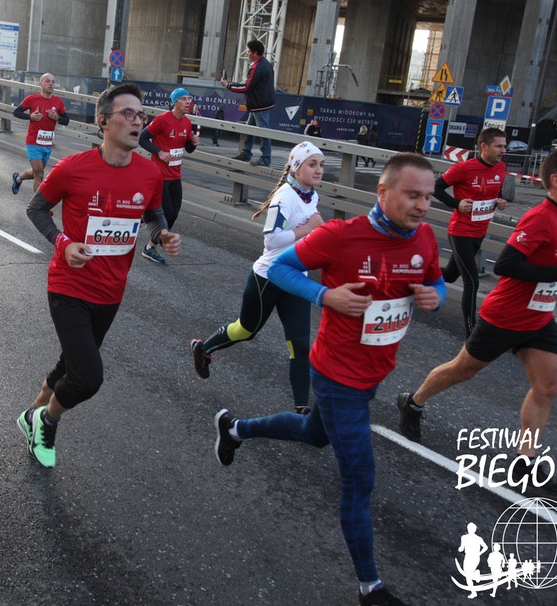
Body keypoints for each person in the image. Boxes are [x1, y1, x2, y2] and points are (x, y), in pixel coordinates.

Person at [214, 154, 444, 606]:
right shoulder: (341, 235)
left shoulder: (425, 237)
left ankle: (234, 429)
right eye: (413, 195)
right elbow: (279, 267)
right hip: (338, 375)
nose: (422, 205)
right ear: (383, 192)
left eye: (429, 197)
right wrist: (324, 295)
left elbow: (436, 282)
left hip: (375, 370)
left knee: (313, 432)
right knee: (360, 476)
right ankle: (370, 587)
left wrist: (433, 296)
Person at [397, 150, 557, 493]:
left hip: (539, 318)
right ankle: (413, 402)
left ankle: (525, 460)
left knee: (547, 388)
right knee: (462, 370)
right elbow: (505, 265)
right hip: (505, 316)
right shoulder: (541, 217)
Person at [15, 82, 181, 468]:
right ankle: (47, 421)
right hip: (69, 286)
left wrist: (162, 234)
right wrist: (62, 243)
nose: (138, 122)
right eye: (128, 114)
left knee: (69, 364)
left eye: (142, 115)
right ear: (103, 121)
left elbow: (153, 213)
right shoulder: (73, 168)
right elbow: (36, 209)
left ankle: (30, 415)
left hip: (111, 291)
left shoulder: (149, 172)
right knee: (88, 377)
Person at [190, 142, 325, 413]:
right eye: (312, 164)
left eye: (321, 165)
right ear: (296, 167)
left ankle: (301, 410)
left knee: (300, 346)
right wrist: (308, 229)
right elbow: (271, 240)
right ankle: (204, 349)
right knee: (246, 330)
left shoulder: (312, 196)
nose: (319, 170)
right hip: (268, 277)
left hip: (296, 278)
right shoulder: (284, 197)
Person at [433, 127, 508, 338]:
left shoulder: (501, 167)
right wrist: (456, 204)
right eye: (499, 146)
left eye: (504, 146)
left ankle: (413, 276)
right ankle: (472, 333)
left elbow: (496, 191)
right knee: (472, 282)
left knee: (449, 276)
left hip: (479, 232)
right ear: (484, 146)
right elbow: (436, 187)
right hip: (461, 231)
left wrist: (501, 201)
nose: (503, 150)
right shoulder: (464, 168)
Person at [138, 88, 199, 264]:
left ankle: (151, 240)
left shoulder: (187, 122)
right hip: (160, 175)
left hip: (175, 175)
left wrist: (193, 143)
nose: (188, 102)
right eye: (184, 99)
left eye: (189, 99)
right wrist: (159, 152)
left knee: (173, 214)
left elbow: (188, 148)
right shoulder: (162, 120)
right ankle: (151, 244)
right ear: (175, 102)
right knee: (167, 212)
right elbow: (142, 139)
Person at [11, 73, 69, 194]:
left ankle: (18, 178)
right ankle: (37, 204)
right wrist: (30, 116)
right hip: (33, 141)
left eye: (53, 82)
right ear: (40, 83)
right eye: (47, 81)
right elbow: (16, 112)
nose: (51, 84)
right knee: (40, 174)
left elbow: (66, 120)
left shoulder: (58, 101)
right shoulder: (32, 99)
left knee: (36, 172)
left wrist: (57, 118)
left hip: (47, 143)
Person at [222, 39, 274, 166]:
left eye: (249, 51)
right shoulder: (266, 64)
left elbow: (246, 87)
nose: (247, 53)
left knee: (263, 131)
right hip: (260, 104)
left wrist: (228, 85)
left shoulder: (257, 67)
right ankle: (246, 153)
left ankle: (265, 158)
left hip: (258, 105)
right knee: (250, 129)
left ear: (255, 53)